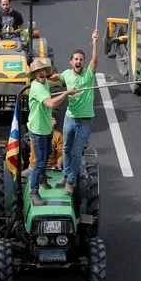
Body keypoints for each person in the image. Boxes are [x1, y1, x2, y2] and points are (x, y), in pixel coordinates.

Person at [47, 30, 98, 195]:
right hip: (70, 118)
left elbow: (95, 60)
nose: (79, 61)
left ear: (84, 63)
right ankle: (66, 174)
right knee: (67, 149)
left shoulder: (88, 75)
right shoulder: (67, 75)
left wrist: (95, 41)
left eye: (81, 60)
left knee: (76, 152)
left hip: (85, 120)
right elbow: (56, 77)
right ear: (71, 62)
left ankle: (70, 181)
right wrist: (41, 78)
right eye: (76, 59)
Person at [27, 59, 75, 206]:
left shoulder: (44, 82)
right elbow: (52, 104)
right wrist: (66, 93)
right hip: (38, 131)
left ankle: (41, 178)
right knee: (40, 162)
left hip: (46, 128)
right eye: (37, 71)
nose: (41, 73)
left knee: (47, 151)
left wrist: (70, 76)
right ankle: (33, 192)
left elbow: (55, 78)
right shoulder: (37, 88)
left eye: (42, 70)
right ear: (33, 75)